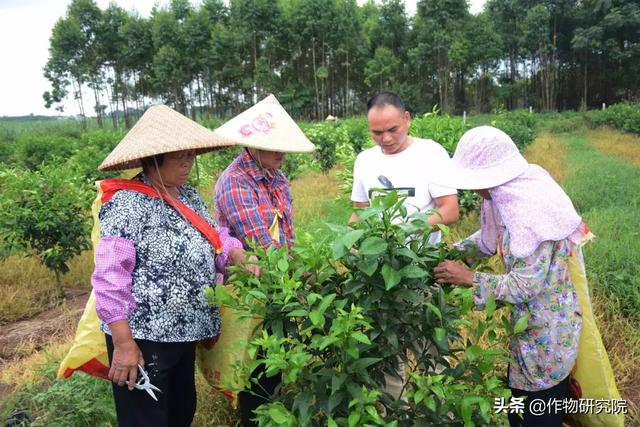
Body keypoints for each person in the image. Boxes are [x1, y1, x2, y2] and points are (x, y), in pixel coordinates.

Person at [92, 105, 257, 427]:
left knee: (181, 411)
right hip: (144, 336)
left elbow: (212, 238)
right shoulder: (127, 203)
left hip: (184, 332)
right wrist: (124, 344)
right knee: (146, 417)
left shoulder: (188, 197)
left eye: (191, 156)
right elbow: (111, 276)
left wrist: (235, 254)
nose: (187, 163)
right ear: (152, 158)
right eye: (178, 157)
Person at [431, 126, 584, 427]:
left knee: (537, 411)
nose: (472, 189)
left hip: (547, 333)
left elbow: (525, 285)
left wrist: (468, 278)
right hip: (530, 329)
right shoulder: (506, 195)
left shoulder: (529, 210)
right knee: (521, 404)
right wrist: (453, 253)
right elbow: (491, 238)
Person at [214, 94, 315, 426]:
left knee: (276, 360)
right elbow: (263, 246)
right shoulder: (234, 183)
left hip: (278, 285)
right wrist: (298, 289)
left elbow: (288, 235)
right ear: (252, 146)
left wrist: (301, 271)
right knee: (256, 364)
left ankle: (274, 415)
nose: (282, 153)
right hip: (252, 290)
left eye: (284, 146)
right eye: (274, 146)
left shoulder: (278, 179)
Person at [350, 92, 459, 240]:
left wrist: (403, 231)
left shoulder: (431, 153)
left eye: (393, 130)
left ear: (407, 119)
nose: (386, 139)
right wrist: (349, 242)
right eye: (377, 133)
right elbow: (360, 213)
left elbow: (450, 210)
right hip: (378, 260)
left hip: (421, 259)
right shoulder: (364, 160)